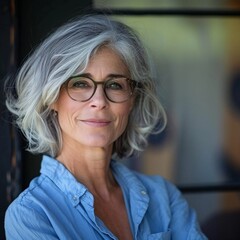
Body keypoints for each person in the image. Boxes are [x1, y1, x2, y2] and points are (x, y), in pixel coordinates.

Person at [4, 14, 207, 239]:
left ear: (133, 99)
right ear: (51, 97)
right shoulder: (32, 214)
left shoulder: (164, 197)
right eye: (80, 83)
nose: (99, 101)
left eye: (114, 85)